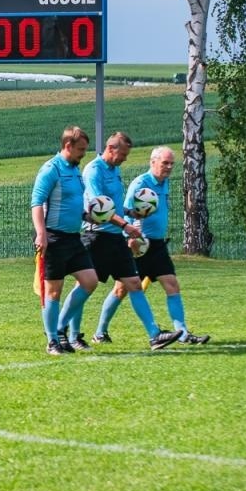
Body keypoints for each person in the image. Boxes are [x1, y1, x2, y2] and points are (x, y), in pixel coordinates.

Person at [66, 131, 180, 351]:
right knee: (83, 285)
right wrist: (126, 226)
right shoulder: (93, 171)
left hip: (115, 238)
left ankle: (155, 335)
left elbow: (115, 207)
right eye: (123, 154)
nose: (125, 159)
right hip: (96, 237)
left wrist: (132, 213)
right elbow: (100, 208)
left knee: (134, 284)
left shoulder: (114, 169)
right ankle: (70, 335)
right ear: (110, 149)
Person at [98, 145, 210, 345]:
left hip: (157, 246)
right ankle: (100, 332)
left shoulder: (164, 183)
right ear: (153, 162)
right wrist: (130, 238)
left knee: (172, 284)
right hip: (138, 246)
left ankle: (182, 332)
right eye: (164, 163)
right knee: (121, 290)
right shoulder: (141, 183)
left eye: (171, 164)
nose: (168, 167)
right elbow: (125, 212)